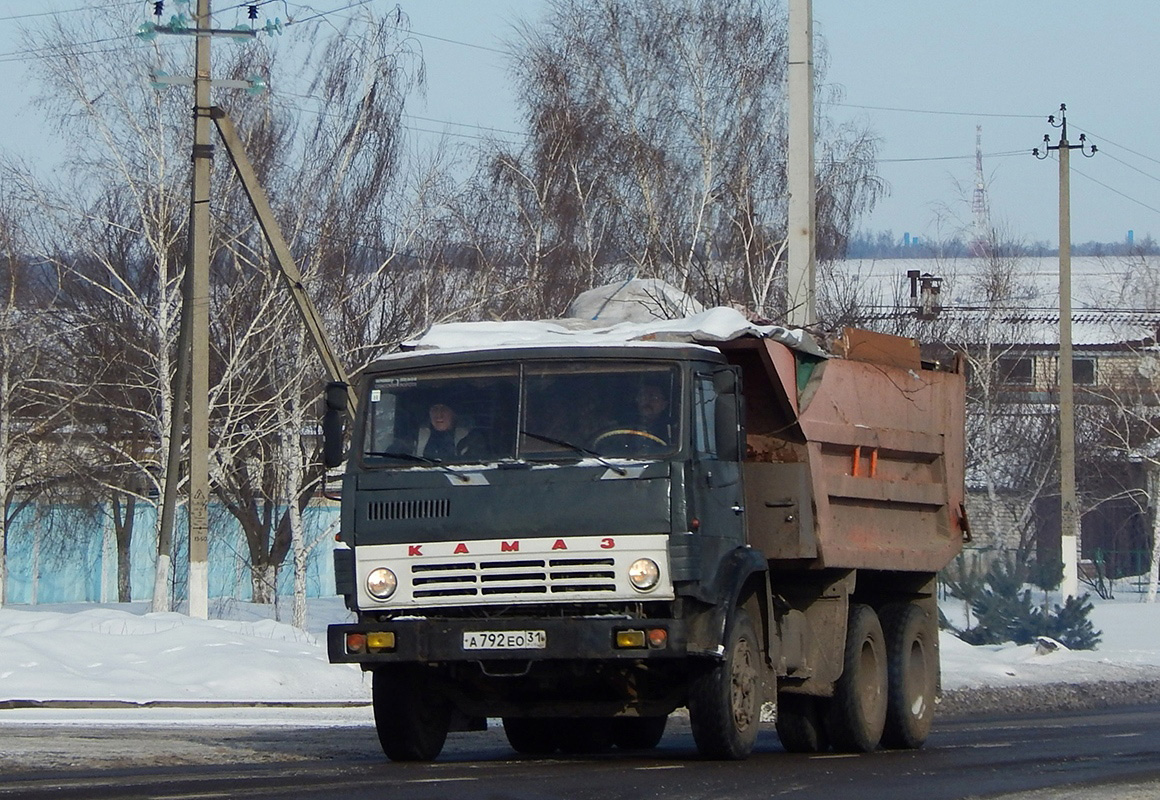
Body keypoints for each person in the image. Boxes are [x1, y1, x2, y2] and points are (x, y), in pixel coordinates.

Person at [415, 401, 486, 461]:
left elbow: (474, 465)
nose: (439, 415)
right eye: (435, 409)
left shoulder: (472, 438)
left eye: (444, 409)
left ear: (453, 414)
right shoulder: (417, 435)